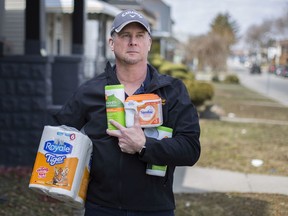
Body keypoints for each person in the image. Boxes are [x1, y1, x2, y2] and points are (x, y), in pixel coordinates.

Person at [53, 9, 201, 216]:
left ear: (149, 43)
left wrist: (144, 145)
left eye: (140, 36)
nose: (133, 42)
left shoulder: (172, 91)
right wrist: (56, 177)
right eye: (125, 35)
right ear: (112, 43)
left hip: (155, 208)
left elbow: (190, 149)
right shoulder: (90, 91)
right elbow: (58, 135)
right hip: (101, 207)